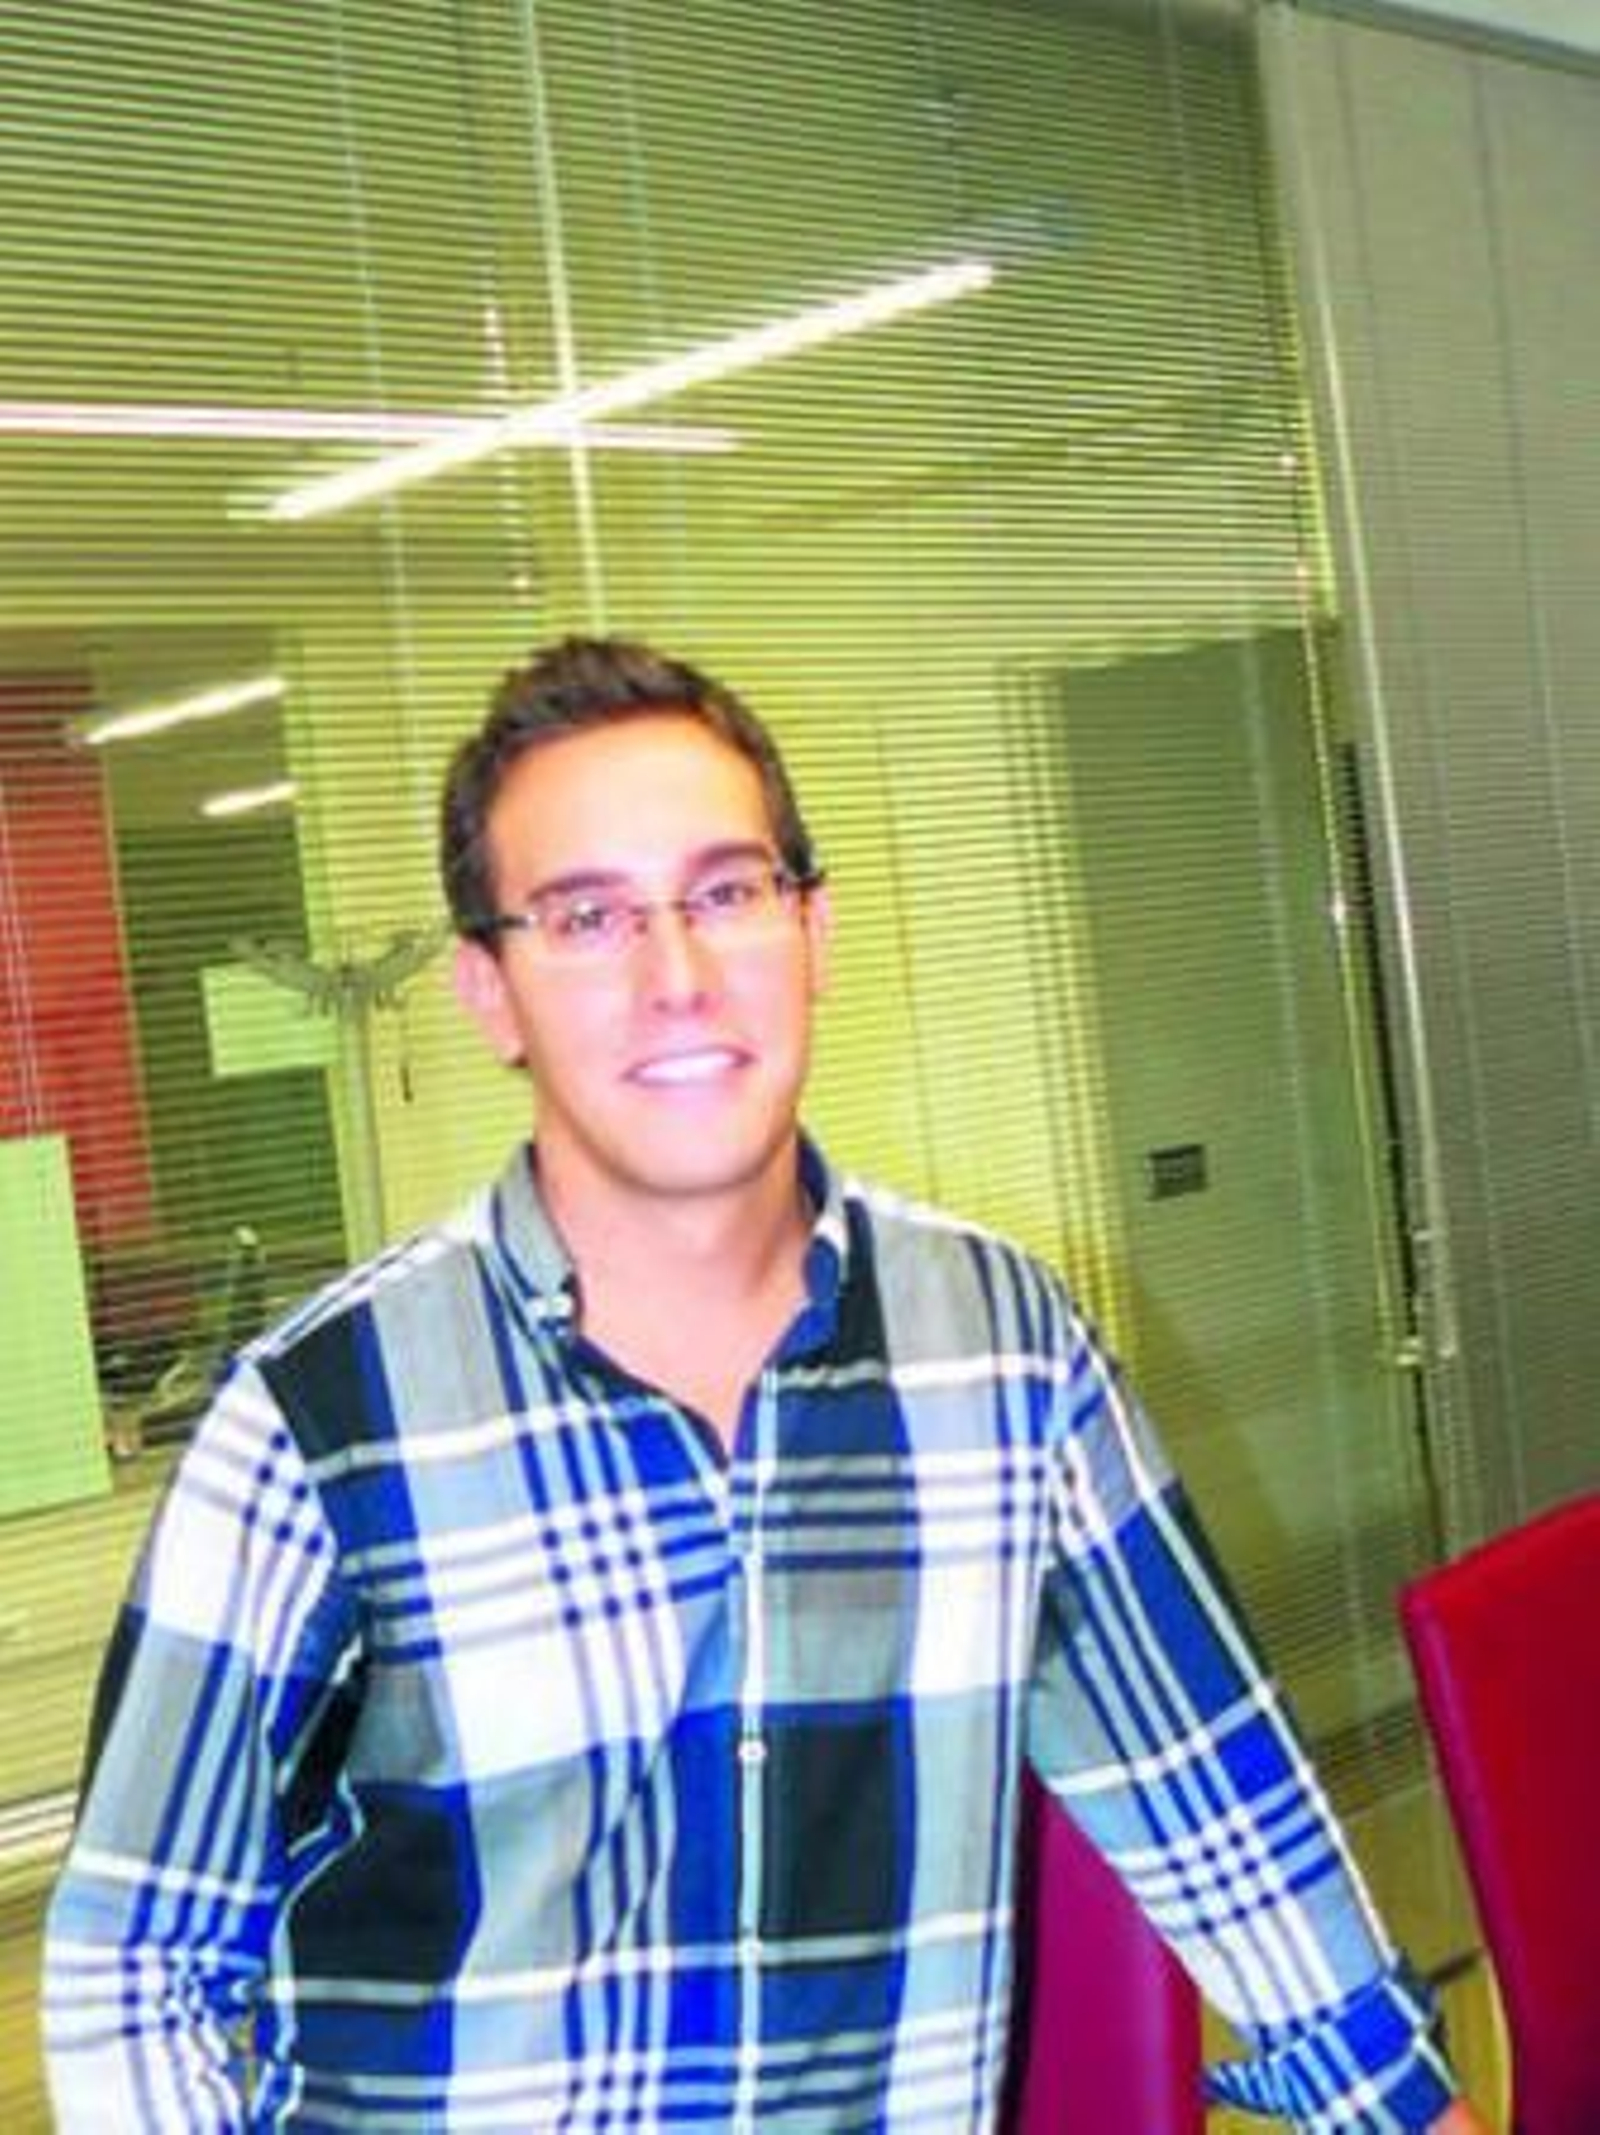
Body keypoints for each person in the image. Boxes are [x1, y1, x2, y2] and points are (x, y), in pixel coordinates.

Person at [43, 635, 1489, 2132]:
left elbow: (1215, 1797)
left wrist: (1406, 2108)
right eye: (588, 917)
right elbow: (136, 1965)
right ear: (490, 993)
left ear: (814, 931)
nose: (676, 978)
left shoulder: (1005, 1351)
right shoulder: (320, 1420)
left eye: (728, 893)